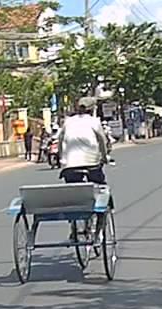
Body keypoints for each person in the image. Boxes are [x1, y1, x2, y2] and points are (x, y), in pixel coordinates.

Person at [57, 97, 113, 245]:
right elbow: (102, 140)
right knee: (102, 193)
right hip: (91, 164)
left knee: (74, 195)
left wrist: (62, 159)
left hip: (70, 166)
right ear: (92, 109)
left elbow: (60, 140)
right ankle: (98, 230)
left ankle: (74, 227)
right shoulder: (95, 121)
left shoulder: (68, 121)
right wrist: (104, 157)